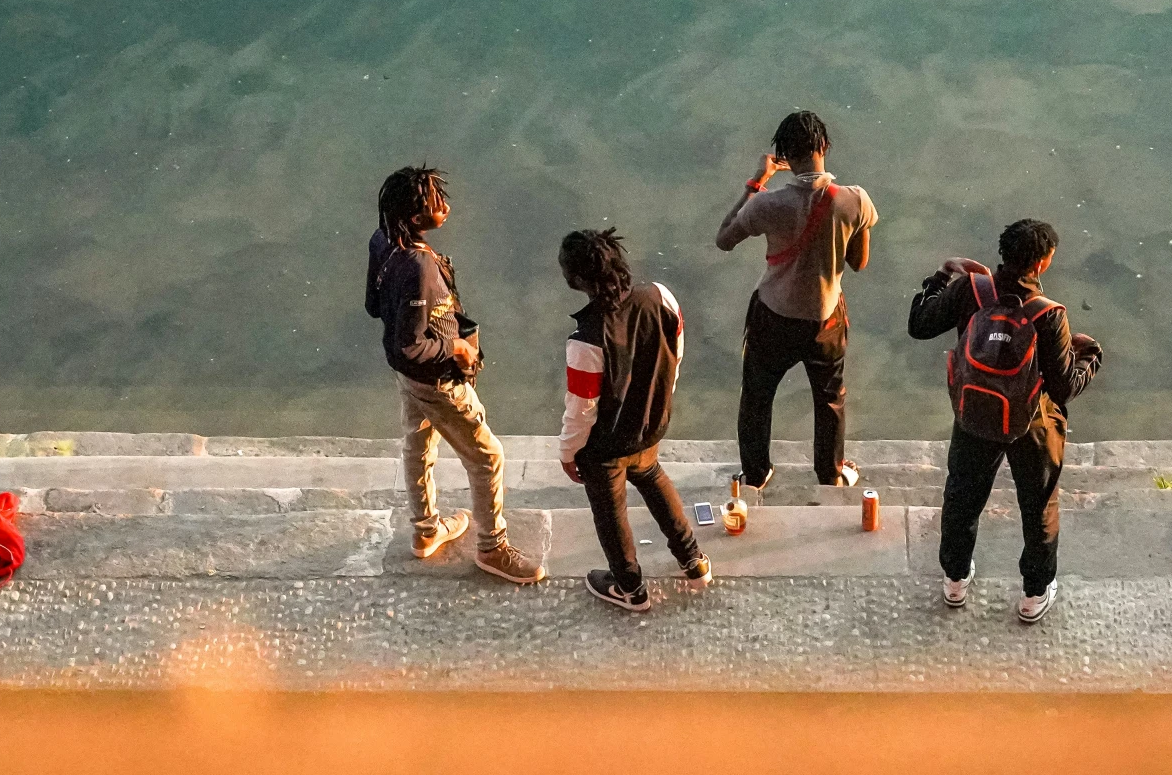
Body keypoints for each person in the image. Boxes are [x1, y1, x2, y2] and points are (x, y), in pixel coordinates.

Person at [908, 219, 1100, 623]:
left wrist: (942, 275)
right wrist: (1089, 358)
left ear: (1003, 254)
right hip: (1031, 424)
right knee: (1038, 505)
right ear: (1043, 264)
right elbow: (1063, 387)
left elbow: (920, 325)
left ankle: (955, 581)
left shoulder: (970, 291)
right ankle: (1033, 595)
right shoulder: (1048, 315)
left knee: (962, 498)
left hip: (975, 414)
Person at [365, 165, 542, 583]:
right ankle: (493, 547)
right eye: (435, 203)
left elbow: (375, 307)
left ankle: (426, 531)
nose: (446, 206)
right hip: (437, 380)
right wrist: (456, 347)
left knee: (419, 444)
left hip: (407, 377)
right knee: (488, 456)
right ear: (414, 218)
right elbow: (411, 345)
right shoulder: (419, 267)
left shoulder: (383, 240)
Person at [714, 109, 880, 492]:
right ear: (824, 146)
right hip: (826, 320)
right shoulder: (855, 200)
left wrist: (755, 182)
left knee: (757, 396)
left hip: (773, 316)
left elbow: (724, 239)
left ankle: (755, 474)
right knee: (830, 399)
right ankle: (830, 472)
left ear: (784, 158)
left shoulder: (767, 204)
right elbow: (859, 262)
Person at [555, 228, 708, 613]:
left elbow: (582, 407)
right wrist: (659, 399)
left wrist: (569, 452)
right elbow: (676, 351)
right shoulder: (660, 296)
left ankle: (629, 587)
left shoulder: (586, 338)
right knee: (652, 476)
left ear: (576, 281)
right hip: (651, 425)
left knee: (611, 513)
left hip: (606, 447)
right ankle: (693, 561)